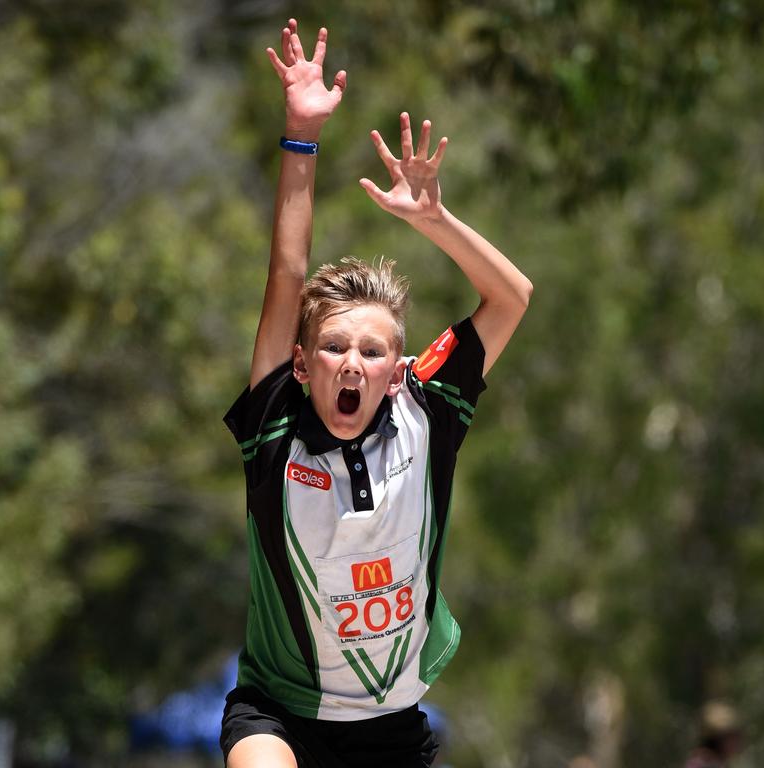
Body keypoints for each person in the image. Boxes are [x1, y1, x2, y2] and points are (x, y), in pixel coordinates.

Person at [220, 18, 533, 768]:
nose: (351, 363)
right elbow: (289, 276)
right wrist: (301, 133)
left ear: (398, 370)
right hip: (278, 714)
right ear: (302, 364)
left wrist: (435, 219)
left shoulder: (426, 409)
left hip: (393, 726)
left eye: (371, 350)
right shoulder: (275, 425)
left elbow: (512, 296)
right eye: (332, 347)